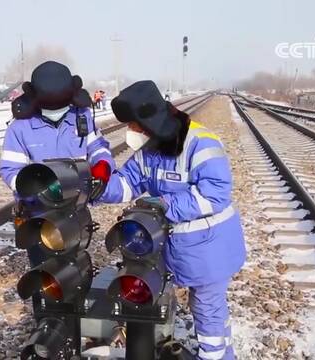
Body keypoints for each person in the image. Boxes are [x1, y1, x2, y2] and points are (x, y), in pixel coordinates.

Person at [97, 80, 246, 360]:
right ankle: (225, 354)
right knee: (206, 307)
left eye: (133, 125)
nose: (130, 132)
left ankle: (214, 356)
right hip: (176, 245)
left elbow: (215, 194)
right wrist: (98, 187)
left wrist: (166, 204)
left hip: (209, 246)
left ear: (148, 122)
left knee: (206, 307)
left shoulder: (200, 143)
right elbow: (128, 183)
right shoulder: (150, 150)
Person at [0, 61, 115, 263]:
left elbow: (97, 148)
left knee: (73, 269)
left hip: (75, 209)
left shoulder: (82, 117)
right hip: (38, 214)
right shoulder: (20, 128)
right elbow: (10, 169)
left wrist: (103, 167)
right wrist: (38, 189)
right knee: (44, 270)